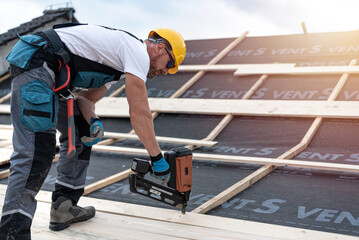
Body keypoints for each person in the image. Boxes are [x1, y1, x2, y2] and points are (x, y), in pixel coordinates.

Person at [0, 23, 186, 239]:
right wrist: (157, 158)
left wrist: (93, 121)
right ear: (161, 48)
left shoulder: (117, 66)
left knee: (81, 131)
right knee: (36, 151)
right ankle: (12, 232)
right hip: (39, 62)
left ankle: (64, 207)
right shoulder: (136, 51)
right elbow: (140, 113)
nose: (165, 71)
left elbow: (85, 99)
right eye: (169, 64)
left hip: (49, 72)